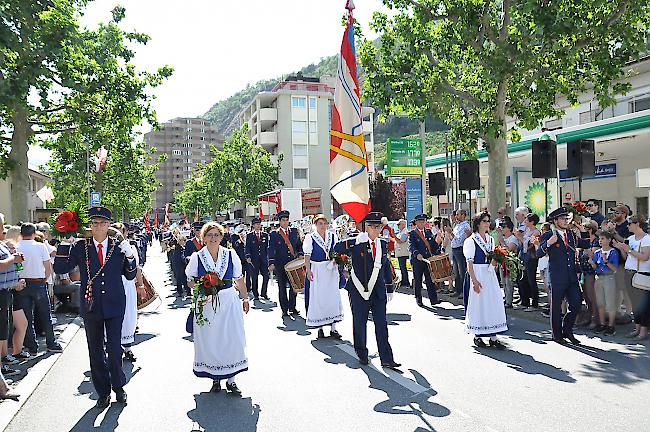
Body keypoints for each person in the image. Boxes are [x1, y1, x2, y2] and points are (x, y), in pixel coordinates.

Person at [54, 207, 137, 409]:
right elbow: (60, 268)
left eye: (102, 223)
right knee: (95, 350)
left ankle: (119, 387)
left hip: (115, 304)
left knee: (115, 349)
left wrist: (131, 257)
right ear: (90, 226)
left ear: (109, 225)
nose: (98, 226)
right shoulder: (81, 247)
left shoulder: (118, 247)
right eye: (95, 223)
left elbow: (130, 275)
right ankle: (103, 391)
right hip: (91, 305)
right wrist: (65, 242)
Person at [185, 222, 249, 394]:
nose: (213, 238)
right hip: (206, 304)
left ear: (221, 237)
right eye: (209, 235)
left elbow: (239, 278)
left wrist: (245, 298)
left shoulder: (230, 254)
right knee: (211, 340)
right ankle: (215, 378)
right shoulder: (197, 257)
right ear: (203, 237)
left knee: (231, 338)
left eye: (216, 235)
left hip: (228, 302)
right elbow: (189, 280)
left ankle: (231, 380)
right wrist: (202, 285)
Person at [333, 212, 401, 370]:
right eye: (374, 227)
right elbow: (335, 252)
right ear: (367, 227)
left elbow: (385, 266)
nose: (378, 230)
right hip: (358, 290)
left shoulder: (383, 244)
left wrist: (389, 287)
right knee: (360, 322)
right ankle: (362, 353)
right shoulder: (356, 242)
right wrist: (345, 268)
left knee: (381, 324)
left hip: (377, 291)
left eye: (379, 226)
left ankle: (386, 358)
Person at [533, 207, 591, 345]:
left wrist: (583, 232)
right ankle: (557, 335)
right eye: (562, 219)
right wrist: (548, 243)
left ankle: (567, 329)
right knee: (556, 307)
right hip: (557, 277)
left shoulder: (570, 234)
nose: (566, 221)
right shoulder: (549, 235)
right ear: (555, 220)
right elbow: (539, 253)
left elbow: (585, 244)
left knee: (576, 304)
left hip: (571, 276)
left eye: (567, 218)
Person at [15, 223, 62, 354]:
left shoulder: (16, 247)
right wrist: (44, 279)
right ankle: (51, 343)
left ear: (21, 233)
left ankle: (31, 346)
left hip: (22, 283)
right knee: (45, 314)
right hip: (38, 282)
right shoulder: (41, 246)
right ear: (34, 233)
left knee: (27, 317)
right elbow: (48, 267)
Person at [463, 212, 508, 349]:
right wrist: (475, 282)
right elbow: (469, 264)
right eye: (484, 221)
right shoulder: (471, 241)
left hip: (489, 275)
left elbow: (492, 259)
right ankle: (477, 335)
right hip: (477, 274)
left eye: (488, 221)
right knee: (479, 305)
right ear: (478, 224)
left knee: (493, 303)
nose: (487, 223)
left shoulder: (490, 239)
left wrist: (496, 260)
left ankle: (493, 337)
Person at [304, 214, 344, 339]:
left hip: (331, 269)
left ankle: (333, 328)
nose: (323, 226)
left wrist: (337, 261)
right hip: (317, 269)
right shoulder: (310, 237)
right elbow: (307, 255)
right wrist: (308, 270)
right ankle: (320, 327)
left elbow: (337, 251)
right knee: (319, 298)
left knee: (332, 297)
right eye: (320, 223)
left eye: (324, 223)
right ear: (315, 225)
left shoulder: (332, 235)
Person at [613, 216, 650, 341]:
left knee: (643, 304)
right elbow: (626, 256)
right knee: (635, 303)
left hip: (641, 274)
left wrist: (628, 250)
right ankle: (637, 328)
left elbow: (645, 257)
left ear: (637, 224)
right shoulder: (630, 238)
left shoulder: (646, 239)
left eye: (629, 224)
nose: (627, 226)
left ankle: (643, 331)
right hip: (629, 272)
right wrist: (622, 249)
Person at [112, 223, 144, 362]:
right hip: (111, 286)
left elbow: (137, 268)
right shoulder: (108, 248)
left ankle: (127, 348)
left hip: (127, 285)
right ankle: (114, 348)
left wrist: (141, 285)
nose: (117, 235)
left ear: (125, 234)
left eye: (120, 232)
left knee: (129, 316)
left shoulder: (131, 248)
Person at [268, 210, 303, 317]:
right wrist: (271, 262)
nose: (285, 222)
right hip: (280, 264)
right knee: (282, 287)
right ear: (279, 221)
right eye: (283, 220)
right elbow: (271, 248)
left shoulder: (294, 231)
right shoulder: (274, 234)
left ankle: (292, 307)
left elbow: (298, 245)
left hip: (292, 263)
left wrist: (300, 254)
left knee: (294, 286)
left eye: (287, 220)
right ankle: (284, 309)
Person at [589, 231, 619, 336]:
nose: (600, 241)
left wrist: (606, 261)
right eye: (599, 239)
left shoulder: (613, 252)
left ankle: (611, 325)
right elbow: (596, 268)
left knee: (610, 303)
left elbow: (615, 269)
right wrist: (592, 263)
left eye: (602, 239)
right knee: (600, 303)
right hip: (599, 278)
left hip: (609, 278)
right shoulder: (597, 253)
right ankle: (602, 324)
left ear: (609, 240)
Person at [409, 214, 442, 307]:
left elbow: (433, 245)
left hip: (427, 259)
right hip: (418, 260)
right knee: (418, 280)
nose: (422, 223)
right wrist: (416, 254)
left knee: (430, 280)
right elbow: (411, 246)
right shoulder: (412, 234)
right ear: (416, 222)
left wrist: (439, 251)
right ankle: (418, 299)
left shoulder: (428, 232)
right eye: (420, 221)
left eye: (423, 221)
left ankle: (434, 300)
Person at [448, 209, 472, 299]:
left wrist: (451, 233)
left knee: (462, 271)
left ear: (463, 215)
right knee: (456, 271)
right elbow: (453, 239)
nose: (456, 216)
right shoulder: (457, 225)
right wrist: (451, 234)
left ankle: (463, 291)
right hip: (454, 249)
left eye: (457, 214)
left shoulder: (466, 226)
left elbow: (460, 240)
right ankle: (457, 290)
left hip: (460, 249)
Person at [519, 213, 541, 311]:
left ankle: (535, 304)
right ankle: (525, 302)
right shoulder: (527, 230)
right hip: (524, 256)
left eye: (527, 220)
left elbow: (530, 246)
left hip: (531, 257)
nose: (525, 222)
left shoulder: (536, 232)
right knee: (524, 280)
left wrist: (519, 237)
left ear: (532, 222)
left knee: (531, 280)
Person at [497, 219, 520, 308]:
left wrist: (502, 242)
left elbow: (508, 250)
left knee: (509, 282)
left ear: (509, 228)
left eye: (503, 227)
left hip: (510, 263)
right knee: (503, 282)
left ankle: (509, 301)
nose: (502, 228)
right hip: (502, 262)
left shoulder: (513, 238)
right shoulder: (503, 237)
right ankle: (506, 298)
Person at [246, 218, 270, 301]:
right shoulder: (249, 236)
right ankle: (255, 294)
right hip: (254, 260)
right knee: (254, 277)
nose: (258, 225)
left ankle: (264, 293)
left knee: (266, 276)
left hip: (263, 259)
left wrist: (269, 259)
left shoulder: (265, 235)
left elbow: (268, 247)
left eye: (259, 224)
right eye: (256, 224)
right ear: (253, 225)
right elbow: (247, 247)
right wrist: (248, 256)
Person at [394, 219, 410, 288]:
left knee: (403, 268)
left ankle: (405, 282)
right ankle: (404, 281)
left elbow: (401, 241)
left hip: (403, 253)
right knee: (402, 268)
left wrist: (393, 236)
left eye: (399, 224)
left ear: (403, 225)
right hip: (401, 252)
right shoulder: (401, 232)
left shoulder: (405, 232)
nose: (398, 226)